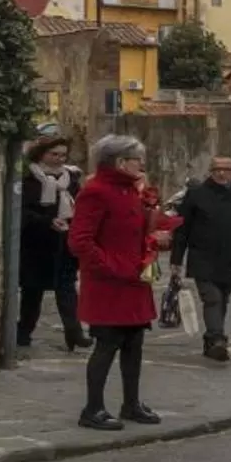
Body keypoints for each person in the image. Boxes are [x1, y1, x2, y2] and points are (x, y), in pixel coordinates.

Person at [69, 135, 170, 430]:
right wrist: (110, 266)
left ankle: (131, 403)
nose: (142, 164)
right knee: (107, 344)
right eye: (137, 159)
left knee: (134, 343)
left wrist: (155, 237)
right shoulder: (96, 192)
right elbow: (80, 241)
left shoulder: (132, 192)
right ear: (121, 162)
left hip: (133, 280)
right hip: (109, 283)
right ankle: (93, 408)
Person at [171, 154, 231, 362]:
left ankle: (211, 340)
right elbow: (182, 229)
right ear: (210, 171)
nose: (221, 173)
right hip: (202, 256)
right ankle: (218, 339)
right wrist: (176, 260)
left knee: (223, 299)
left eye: (226, 169)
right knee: (212, 298)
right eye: (216, 169)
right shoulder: (196, 195)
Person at [17, 136, 89, 352]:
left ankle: (74, 332)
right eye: (54, 154)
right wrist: (47, 221)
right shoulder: (29, 179)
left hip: (64, 243)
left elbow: (80, 206)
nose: (59, 159)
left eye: (63, 155)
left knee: (67, 289)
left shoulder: (71, 179)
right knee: (32, 292)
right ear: (41, 154)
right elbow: (22, 211)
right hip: (36, 245)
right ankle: (23, 332)